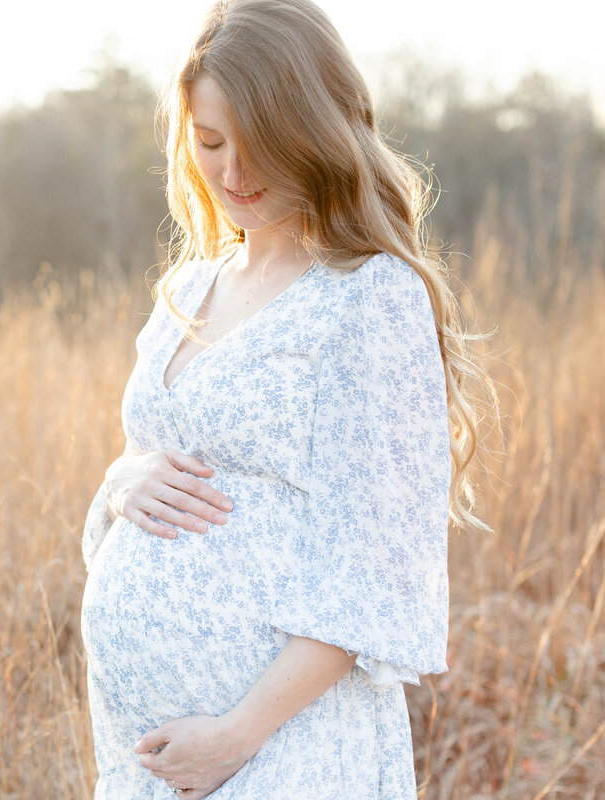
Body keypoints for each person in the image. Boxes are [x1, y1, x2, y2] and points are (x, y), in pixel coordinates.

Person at [78, 0, 494, 797]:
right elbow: (153, 465)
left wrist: (235, 737)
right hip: (144, 759)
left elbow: (378, 571)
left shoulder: (371, 296)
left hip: (285, 751)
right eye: (209, 143)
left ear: (316, 133)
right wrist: (119, 480)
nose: (233, 175)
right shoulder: (189, 288)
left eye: (261, 146)